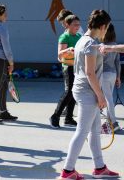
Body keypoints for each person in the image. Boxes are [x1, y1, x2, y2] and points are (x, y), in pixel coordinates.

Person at [59, 10, 119, 179]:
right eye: (106, 28)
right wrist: (100, 96)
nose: (106, 32)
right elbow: (90, 73)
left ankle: (99, 168)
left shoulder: (82, 40)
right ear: (102, 26)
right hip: (87, 92)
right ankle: (68, 170)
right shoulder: (89, 43)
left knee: (94, 131)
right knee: (82, 131)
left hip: (84, 90)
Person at [50, 14, 81, 129]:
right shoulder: (64, 37)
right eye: (75, 25)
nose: (77, 27)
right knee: (69, 92)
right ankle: (55, 116)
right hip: (68, 67)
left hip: (77, 68)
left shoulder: (79, 36)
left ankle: (68, 118)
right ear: (67, 25)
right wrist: (68, 50)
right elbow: (59, 55)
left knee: (74, 92)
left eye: (78, 24)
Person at [100, 24, 121, 131]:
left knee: (107, 99)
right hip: (113, 74)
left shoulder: (101, 46)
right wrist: (118, 77)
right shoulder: (115, 45)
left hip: (103, 74)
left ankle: (113, 123)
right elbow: (118, 62)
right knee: (109, 98)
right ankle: (110, 123)